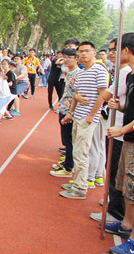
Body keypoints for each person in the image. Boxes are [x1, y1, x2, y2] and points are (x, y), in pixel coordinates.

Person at [106, 33, 134, 254]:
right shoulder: (132, 76)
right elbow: (132, 108)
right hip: (128, 139)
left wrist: (122, 129)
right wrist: (118, 107)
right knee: (127, 187)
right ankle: (126, 224)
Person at [59, 41, 108, 199]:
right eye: (80, 51)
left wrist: (92, 115)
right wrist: (71, 112)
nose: (83, 54)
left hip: (87, 118)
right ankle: (77, 181)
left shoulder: (99, 70)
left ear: (94, 53)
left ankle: (80, 188)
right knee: (76, 151)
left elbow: (103, 94)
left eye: (87, 51)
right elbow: (76, 93)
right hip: (77, 116)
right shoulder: (81, 73)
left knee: (82, 153)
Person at [90, 38, 130, 223]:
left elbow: (106, 94)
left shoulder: (127, 73)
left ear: (127, 50)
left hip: (121, 130)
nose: (111, 53)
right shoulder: (120, 71)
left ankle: (115, 213)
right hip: (115, 127)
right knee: (112, 169)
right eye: (110, 50)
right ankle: (113, 204)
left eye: (115, 50)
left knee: (115, 172)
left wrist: (92, 112)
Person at [50, 48, 80, 178]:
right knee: (66, 139)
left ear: (76, 59)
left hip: (69, 112)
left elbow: (76, 95)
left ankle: (68, 168)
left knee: (69, 140)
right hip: (64, 108)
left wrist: (71, 113)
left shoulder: (78, 74)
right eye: (64, 57)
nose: (66, 60)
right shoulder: (68, 72)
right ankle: (67, 163)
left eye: (69, 57)